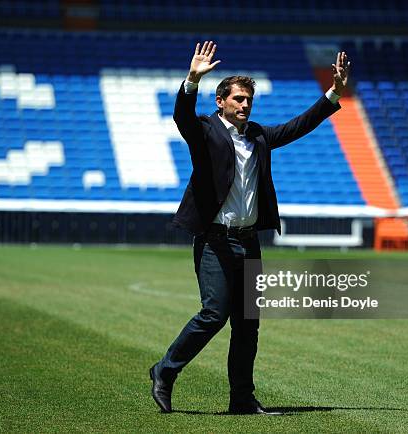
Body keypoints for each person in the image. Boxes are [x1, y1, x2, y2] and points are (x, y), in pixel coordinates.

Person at [149, 41, 350, 414]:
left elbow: (297, 127)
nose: (244, 105)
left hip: (249, 242)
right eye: (238, 99)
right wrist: (192, 79)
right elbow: (182, 117)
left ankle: (241, 398)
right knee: (214, 313)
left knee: (247, 326)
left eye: (248, 100)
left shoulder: (258, 136)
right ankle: (165, 370)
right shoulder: (205, 130)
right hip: (215, 241)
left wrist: (334, 92)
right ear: (221, 101)